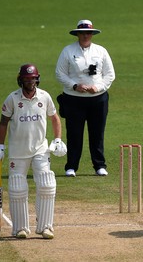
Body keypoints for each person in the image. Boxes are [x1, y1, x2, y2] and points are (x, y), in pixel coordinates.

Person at [0, 64, 67, 239]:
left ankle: (46, 227)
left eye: (33, 78)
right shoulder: (12, 99)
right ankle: (20, 228)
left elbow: (54, 118)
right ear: (21, 79)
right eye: (27, 78)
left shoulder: (44, 96)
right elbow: (3, 123)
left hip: (40, 149)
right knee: (17, 188)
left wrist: (57, 139)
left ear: (37, 79)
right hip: (18, 152)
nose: (30, 81)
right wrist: (0, 146)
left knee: (47, 185)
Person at [55, 19, 115, 177]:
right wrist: (75, 86)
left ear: (92, 34)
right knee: (74, 134)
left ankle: (99, 166)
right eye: (82, 33)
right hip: (74, 99)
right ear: (77, 34)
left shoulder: (101, 51)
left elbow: (110, 74)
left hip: (98, 99)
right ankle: (71, 167)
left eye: (88, 33)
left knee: (97, 133)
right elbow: (60, 73)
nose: (85, 35)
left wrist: (98, 87)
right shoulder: (68, 51)